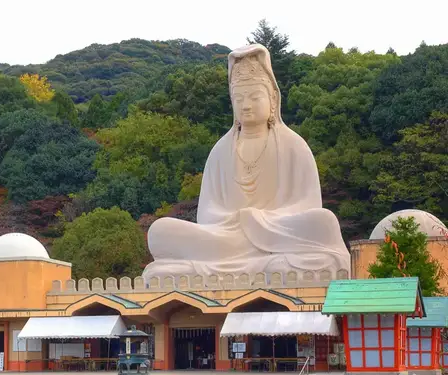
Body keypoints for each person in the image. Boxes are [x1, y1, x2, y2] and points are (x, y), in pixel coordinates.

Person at [143, 44, 350, 281]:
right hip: (227, 237)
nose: (246, 105)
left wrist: (259, 219)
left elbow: (309, 204)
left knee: (323, 222)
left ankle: (227, 268)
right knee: (160, 231)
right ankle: (268, 266)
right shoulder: (221, 150)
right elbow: (207, 214)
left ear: (272, 100)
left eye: (254, 97)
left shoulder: (293, 145)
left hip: (278, 235)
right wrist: (239, 220)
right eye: (238, 98)